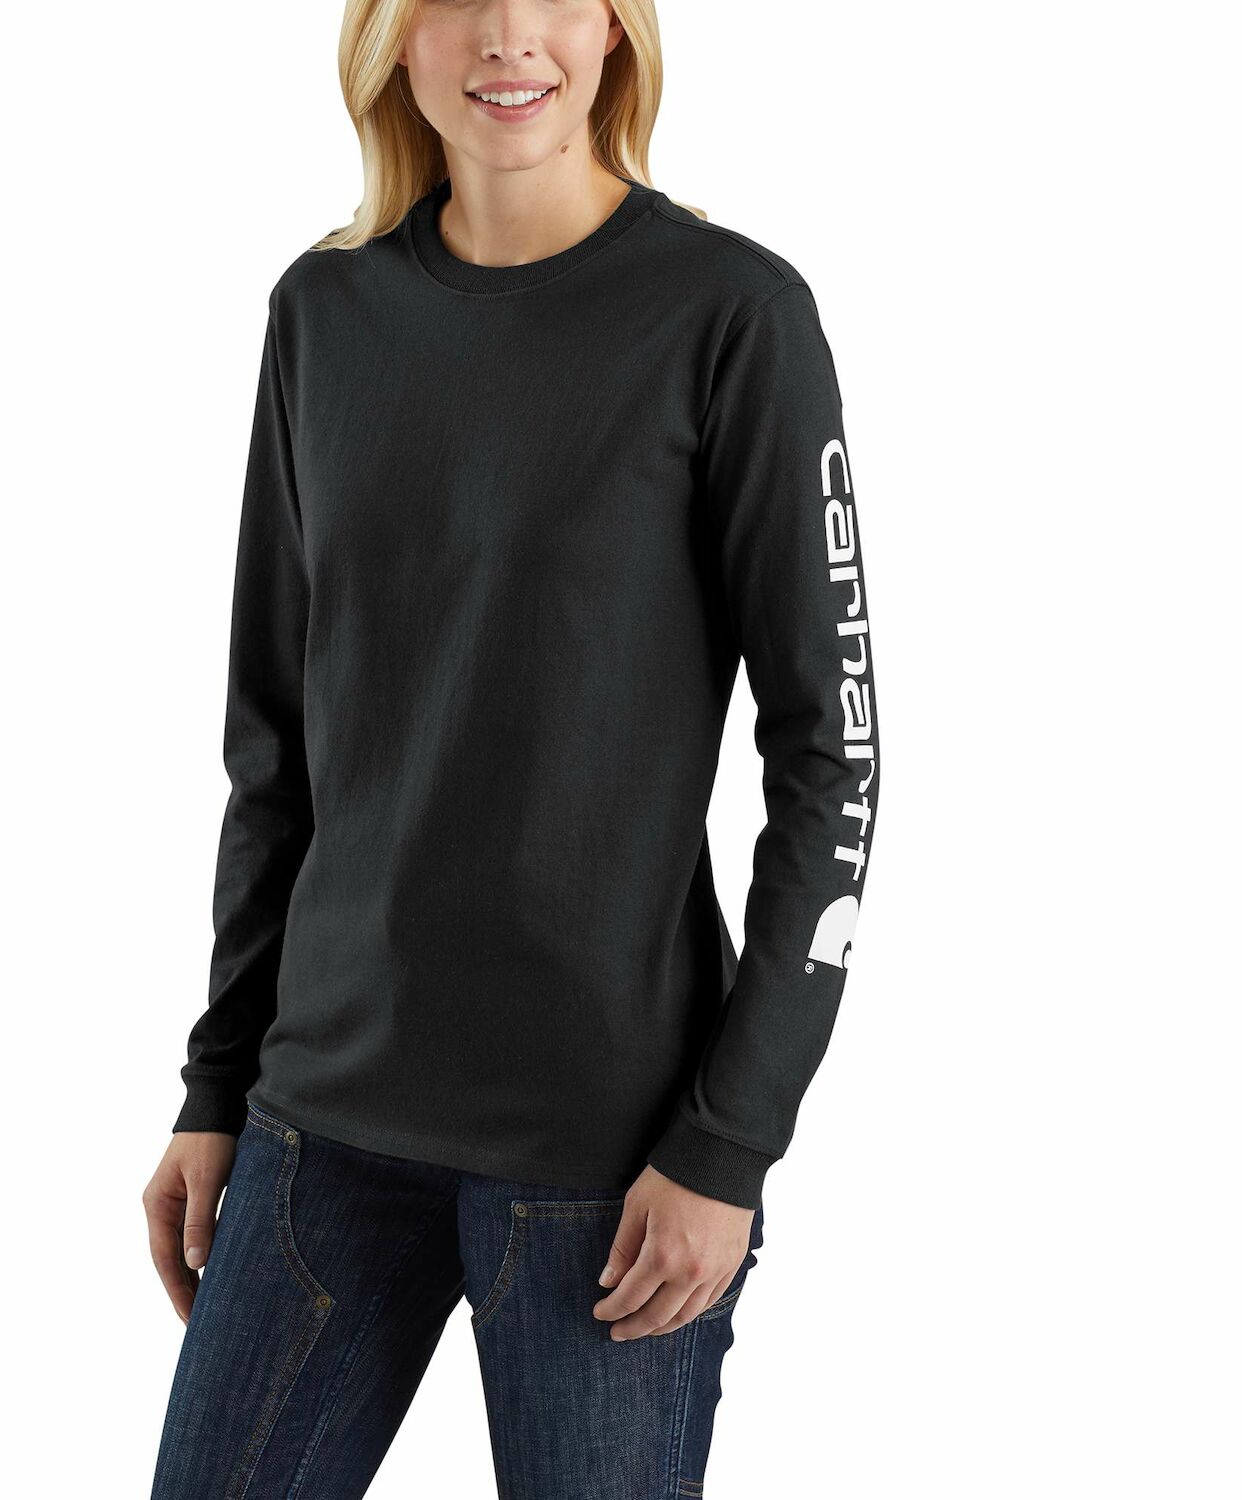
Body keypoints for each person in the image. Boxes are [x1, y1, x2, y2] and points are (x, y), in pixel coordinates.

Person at [143, 1, 881, 1494]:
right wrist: (217, 1082)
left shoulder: (729, 314)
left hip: (609, 1164)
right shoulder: (324, 310)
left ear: (614, 30)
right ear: (391, 40)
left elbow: (833, 756)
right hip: (320, 1128)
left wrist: (729, 1141)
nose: (506, 36)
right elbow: (273, 740)